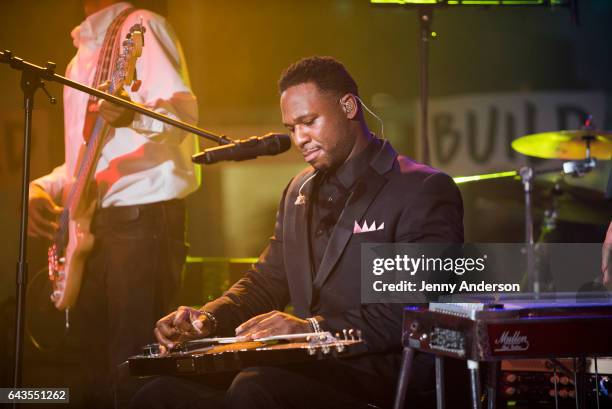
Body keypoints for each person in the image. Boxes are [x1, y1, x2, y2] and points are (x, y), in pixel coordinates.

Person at [132, 56, 463, 409]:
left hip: (386, 375)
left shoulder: (422, 188)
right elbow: (266, 282)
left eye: (308, 122)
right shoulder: (297, 190)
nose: (299, 138)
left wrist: (312, 328)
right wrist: (206, 318)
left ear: (348, 106)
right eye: (291, 128)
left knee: (256, 387)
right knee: (157, 392)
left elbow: (410, 309)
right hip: (310, 366)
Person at [27, 1, 199, 407]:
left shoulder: (142, 26)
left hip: (141, 221)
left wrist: (132, 116)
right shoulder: (78, 58)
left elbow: (182, 117)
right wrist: (43, 187)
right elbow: (83, 159)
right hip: (95, 226)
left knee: (134, 368)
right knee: (92, 372)